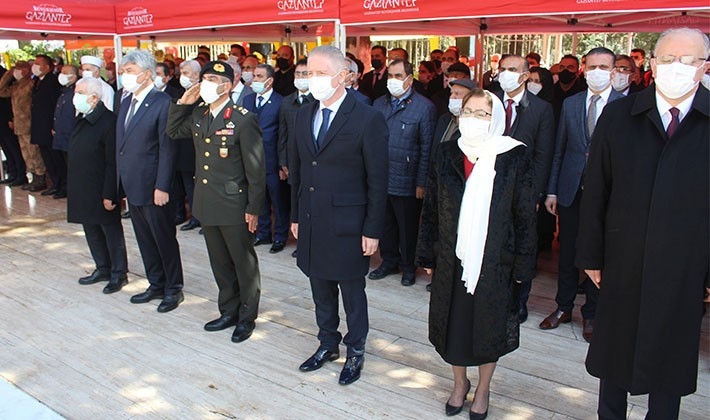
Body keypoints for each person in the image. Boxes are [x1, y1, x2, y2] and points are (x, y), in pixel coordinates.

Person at [577, 28, 709, 420]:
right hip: (623, 258)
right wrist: (591, 254)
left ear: (703, 68)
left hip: (686, 266)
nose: (676, 68)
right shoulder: (620, 115)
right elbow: (597, 189)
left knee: (670, 361)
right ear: (651, 65)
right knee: (615, 353)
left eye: (687, 61)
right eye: (667, 59)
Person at [416, 88, 535, 419]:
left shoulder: (514, 155)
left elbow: (524, 214)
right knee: (453, 326)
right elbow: (431, 208)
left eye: (483, 113)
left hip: (495, 261)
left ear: (496, 118)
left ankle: (483, 389)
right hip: (452, 259)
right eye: (469, 111)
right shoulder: (445, 153)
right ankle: (459, 384)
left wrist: (524, 263)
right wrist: (427, 254)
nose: (474, 118)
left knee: (488, 329)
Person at [290, 46, 388, 386]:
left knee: (351, 291)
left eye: (319, 73)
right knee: (319, 286)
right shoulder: (303, 114)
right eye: (308, 72)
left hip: (349, 223)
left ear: (342, 75)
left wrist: (373, 229)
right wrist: (295, 216)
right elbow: (300, 171)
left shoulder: (366, 117)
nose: (312, 79)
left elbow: (378, 180)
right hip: (312, 218)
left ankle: (356, 349)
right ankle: (327, 343)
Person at [168, 60, 266, 343]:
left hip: (234, 204)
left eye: (213, 79)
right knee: (220, 263)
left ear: (228, 84)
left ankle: (247, 317)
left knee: (243, 264)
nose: (207, 83)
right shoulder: (199, 114)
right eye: (205, 78)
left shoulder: (242, 118)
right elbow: (173, 131)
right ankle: (228, 310)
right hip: (207, 202)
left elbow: (256, 170)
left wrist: (254, 209)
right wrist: (183, 102)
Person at [542, 47, 624, 342]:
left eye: (604, 66)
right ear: (583, 70)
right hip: (570, 188)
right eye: (592, 66)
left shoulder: (626, 105)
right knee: (568, 253)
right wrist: (552, 189)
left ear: (614, 71)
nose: (597, 71)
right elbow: (559, 149)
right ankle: (563, 307)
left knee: (598, 253)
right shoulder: (571, 104)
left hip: (607, 194)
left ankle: (592, 314)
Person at [116, 50, 184, 313]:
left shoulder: (162, 102)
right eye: (123, 71)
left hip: (155, 186)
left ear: (146, 74)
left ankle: (173, 288)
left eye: (130, 71)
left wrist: (162, 186)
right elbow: (120, 146)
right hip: (133, 184)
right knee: (144, 238)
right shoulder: (126, 102)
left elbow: (168, 149)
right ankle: (155, 282)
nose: (125, 76)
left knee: (163, 238)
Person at [496, 54, 555, 323]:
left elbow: (543, 155)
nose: (506, 74)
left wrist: (536, 193)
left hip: (524, 189)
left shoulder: (541, 109)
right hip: (492, 185)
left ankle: (519, 300)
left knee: (523, 246)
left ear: (524, 75)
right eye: (502, 69)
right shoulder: (490, 101)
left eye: (512, 70)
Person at [369, 59, 435, 286]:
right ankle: (388, 261)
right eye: (390, 76)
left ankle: (408, 266)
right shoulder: (378, 104)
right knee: (385, 223)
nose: (393, 81)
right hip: (380, 176)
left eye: (398, 76)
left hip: (407, 178)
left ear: (409, 78)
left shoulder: (424, 107)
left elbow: (426, 148)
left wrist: (421, 183)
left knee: (407, 227)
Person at [69, 77, 128, 294]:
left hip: (100, 186)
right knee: (91, 229)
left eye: (80, 92)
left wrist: (110, 193)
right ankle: (102, 267)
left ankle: (118, 273)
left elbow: (113, 162)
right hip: (83, 186)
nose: (76, 96)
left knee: (110, 231)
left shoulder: (107, 121)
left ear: (94, 97)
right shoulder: (82, 117)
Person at [243, 64, 288, 254]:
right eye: (254, 76)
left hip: (272, 160)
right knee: (258, 198)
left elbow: (283, 135)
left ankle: (280, 236)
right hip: (252, 160)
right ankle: (263, 233)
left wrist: (282, 164)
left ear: (270, 80)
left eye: (260, 76)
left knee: (278, 201)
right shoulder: (247, 100)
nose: (255, 80)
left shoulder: (281, 102)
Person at [0, 61, 48, 192]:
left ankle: (40, 178)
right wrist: (8, 74)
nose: (16, 71)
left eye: (18, 69)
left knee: (34, 152)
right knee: (25, 153)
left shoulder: (31, 84)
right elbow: (1, 90)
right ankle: (32, 176)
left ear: (26, 70)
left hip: (29, 123)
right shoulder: (16, 86)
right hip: (19, 124)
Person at [51, 64, 80, 200]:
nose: (61, 75)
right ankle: (65, 188)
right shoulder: (64, 91)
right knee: (63, 164)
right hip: (61, 135)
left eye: (65, 73)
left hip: (71, 136)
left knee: (73, 167)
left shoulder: (76, 92)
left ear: (73, 76)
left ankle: (74, 191)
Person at [0, 64, 26, 186]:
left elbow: (7, 99)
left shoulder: (6, 75)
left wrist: (11, 118)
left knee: (13, 147)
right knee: (6, 147)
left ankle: (20, 173)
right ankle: (12, 172)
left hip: (7, 118)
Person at [551, 54, 587, 122]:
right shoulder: (551, 92)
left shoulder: (584, 92)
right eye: (561, 67)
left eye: (570, 67)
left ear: (577, 71)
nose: (565, 71)